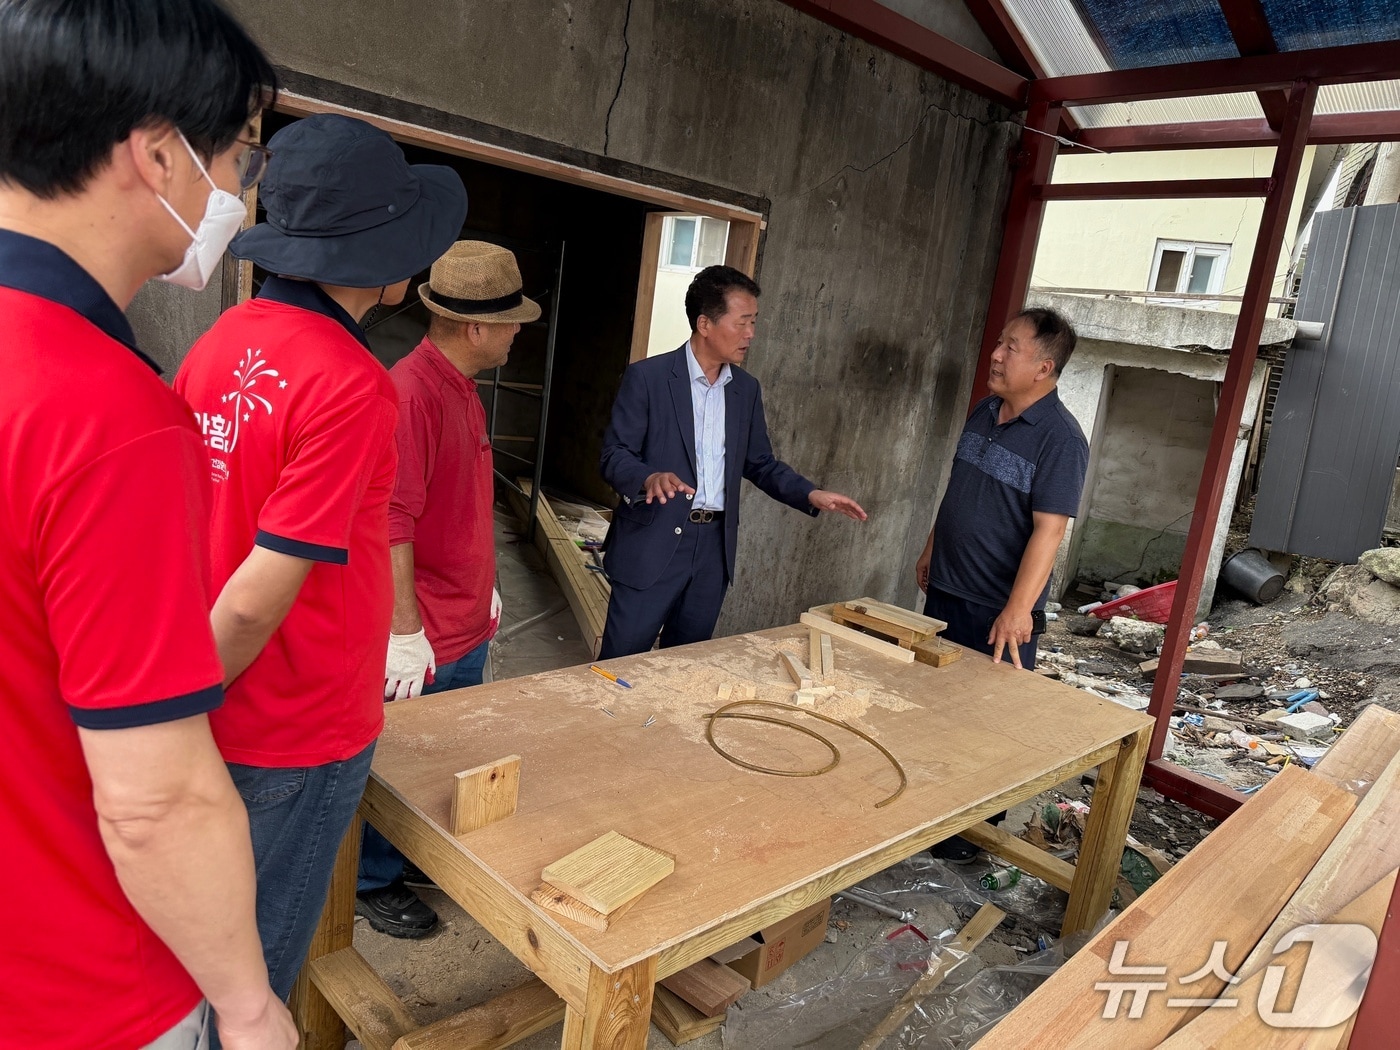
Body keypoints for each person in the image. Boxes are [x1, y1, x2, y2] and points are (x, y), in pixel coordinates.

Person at [0, 2, 296, 1048]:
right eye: (236, 158)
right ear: (159, 155)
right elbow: (152, 799)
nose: (237, 192)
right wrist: (250, 1005)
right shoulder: (103, 409)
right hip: (71, 984)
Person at [174, 114, 466, 998]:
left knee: (196, 943)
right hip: (292, 723)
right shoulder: (352, 385)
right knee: (255, 971)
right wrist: (179, 713)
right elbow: (260, 596)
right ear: (375, 261)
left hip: (214, 700)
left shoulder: (216, 344)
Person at [359, 240, 538, 936]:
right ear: (475, 328)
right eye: (511, 320)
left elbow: (457, 504)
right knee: (402, 761)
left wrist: (485, 584)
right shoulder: (412, 393)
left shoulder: (459, 386)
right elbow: (390, 520)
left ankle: (406, 856)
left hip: (463, 621)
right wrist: (404, 633)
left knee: (443, 761)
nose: (518, 332)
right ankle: (372, 881)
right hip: (426, 634)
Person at [598, 265, 866, 658]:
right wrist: (648, 476)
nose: (750, 334)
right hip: (652, 541)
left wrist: (810, 494)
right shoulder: (649, 378)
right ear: (705, 324)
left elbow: (759, 462)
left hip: (712, 550)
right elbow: (614, 455)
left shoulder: (745, 390)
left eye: (754, 322)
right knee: (620, 665)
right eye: (742, 323)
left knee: (686, 665)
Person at [914, 307, 1087, 861]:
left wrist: (1019, 610)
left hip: (997, 610)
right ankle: (927, 818)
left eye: (1011, 348)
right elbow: (958, 488)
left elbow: (1049, 530)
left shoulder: (1060, 439)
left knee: (984, 729)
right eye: (1000, 343)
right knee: (938, 713)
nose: (996, 353)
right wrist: (931, 546)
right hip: (948, 589)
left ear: (1043, 366)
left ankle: (968, 841)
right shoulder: (985, 411)